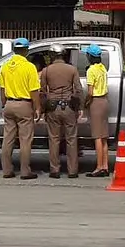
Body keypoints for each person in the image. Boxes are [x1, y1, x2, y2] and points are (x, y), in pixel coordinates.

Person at [0, 37, 41, 180]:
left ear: (14, 50)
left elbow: (2, 89)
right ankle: (25, 171)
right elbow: (34, 91)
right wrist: (37, 108)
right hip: (24, 105)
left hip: (9, 104)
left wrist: (4, 104)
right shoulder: (29, 67)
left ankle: (7, 170)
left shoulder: (5, 66)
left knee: (8, 139)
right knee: (25, 140)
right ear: (26, 51)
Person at [40, 44, 83, 180]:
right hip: (69, 107)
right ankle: (72, 170)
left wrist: (41, 109)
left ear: (52, 55)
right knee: (71, 139)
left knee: (54, 139)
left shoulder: (46, 71)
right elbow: (78, 90)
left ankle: (55, 170)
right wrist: (80, 107)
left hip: (53, 107)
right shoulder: (72, 70)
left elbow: (42, 92)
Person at [84, 44, 110, 178]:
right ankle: (105, 165)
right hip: (105, 101)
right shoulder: (102, 68)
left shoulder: (91, 71)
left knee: (97, 137)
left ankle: (99, 167)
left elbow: (90, 92)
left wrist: (86, 103)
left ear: (89, 56)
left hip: (96, 102)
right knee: (104, 136)